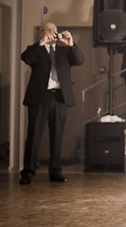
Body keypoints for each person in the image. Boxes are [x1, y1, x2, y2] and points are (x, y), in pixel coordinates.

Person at [20, 22, 85, 184]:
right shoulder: (37, 49)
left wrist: (71, 44)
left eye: (54, 31)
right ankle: (28, 172)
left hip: (60, 98)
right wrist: (41, 42)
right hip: (40, 98)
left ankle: (55, 171)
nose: (51, 33)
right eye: (47, 30)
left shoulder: (64, 51)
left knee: (57, 136)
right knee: (34, 135)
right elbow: (26, 58)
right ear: (41, 33)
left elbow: (80, 60)